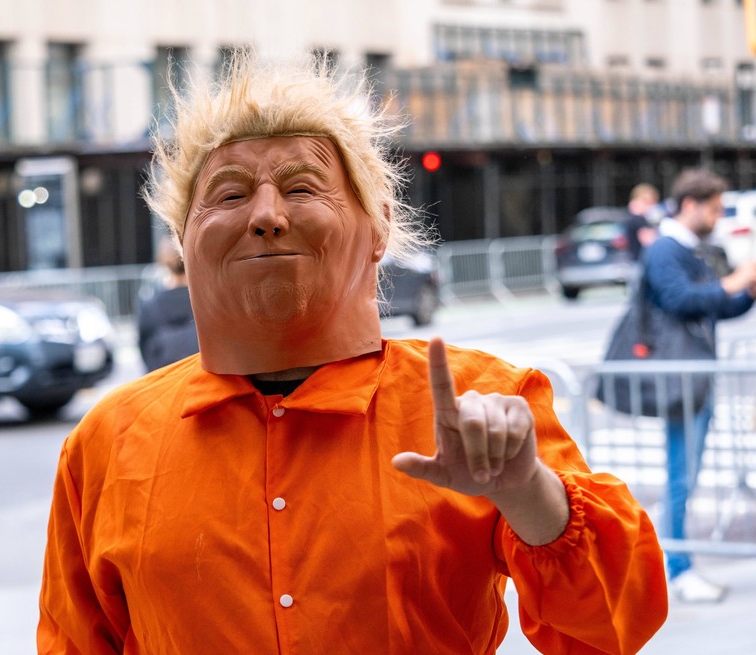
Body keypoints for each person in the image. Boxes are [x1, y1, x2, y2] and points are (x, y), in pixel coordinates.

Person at [37, 51, 668, 654]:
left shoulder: (484, 402)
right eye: (229, 195)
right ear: (183, 237)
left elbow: (616, 625)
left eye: (303, 188)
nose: (266, 216)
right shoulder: (108, 442)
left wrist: (527, 490)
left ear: (380, 226)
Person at [643, 168, 756, 603]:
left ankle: (678, 561)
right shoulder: (665, 250)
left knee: (684, 473)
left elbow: (712, 309)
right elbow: (681, 301)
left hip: (692, 376)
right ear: (690, 205)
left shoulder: (688, 249)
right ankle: (678, 566)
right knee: (681, 476)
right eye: (713, 208)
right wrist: (734, 282)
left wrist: (745, 292)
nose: (718, 216)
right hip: (679, 377)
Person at [136, 237, 199, 371]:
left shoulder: (150, 305)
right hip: (202, 379)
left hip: (165, 381)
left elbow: (144, 349)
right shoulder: (205, 301)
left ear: (163, 263)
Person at [624, 182, 660, 262]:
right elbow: (649, 242)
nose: (652, 206)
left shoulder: (632, 218)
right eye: (648, 202)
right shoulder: (638, 219)